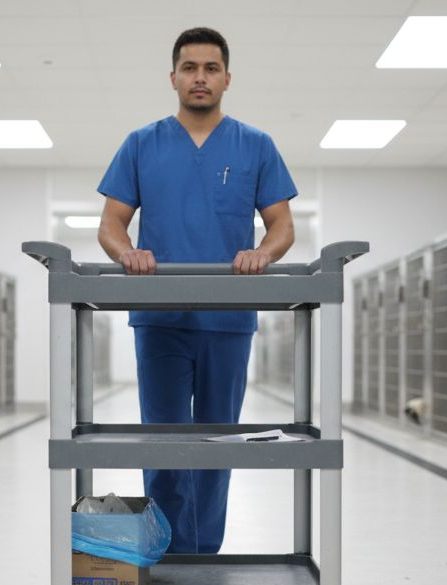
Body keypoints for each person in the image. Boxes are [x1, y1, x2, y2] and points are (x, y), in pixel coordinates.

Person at [96, 26, 297, 555]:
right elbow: (111, 224)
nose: (200, 77)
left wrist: (264, 253)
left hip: (228, 320)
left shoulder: (256, 145)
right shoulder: (142, 144)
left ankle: (204, 559)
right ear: (173, 77)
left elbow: (282, 227)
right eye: (189, 68)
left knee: (215, 446)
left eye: (210, 68)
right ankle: (168, 557)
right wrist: (126, 253)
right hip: (158, 317)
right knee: (163, 446)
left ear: (227, 78)